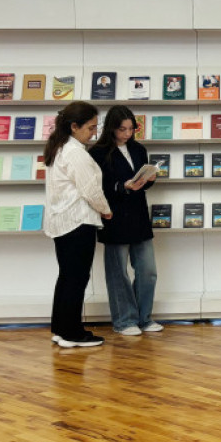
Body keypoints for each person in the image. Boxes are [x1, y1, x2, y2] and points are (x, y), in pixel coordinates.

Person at [89, 105, 163, 336]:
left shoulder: (139, 149)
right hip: (114, 217)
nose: (127, 134)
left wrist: (147, 180)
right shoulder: (97, 152)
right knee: (118, 273)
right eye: (122, 129)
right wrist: (123, 186)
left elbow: (144, 182)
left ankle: (144, 318)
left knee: (148, 271)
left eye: (131, 129)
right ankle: (124, 320)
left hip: (139, 216)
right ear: (111, 128)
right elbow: (96, 188)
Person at [43, 101, 112, 348]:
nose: (94, 132)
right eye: (91, 127)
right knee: (76, 278)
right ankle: (73, 333)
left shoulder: (60, 147)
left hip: (62, 222)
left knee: (67, 277)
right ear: (74, 126)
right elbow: (90, 189)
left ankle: (61, 329)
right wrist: (106, 210)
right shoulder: (75, 153)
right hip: (77, 221)